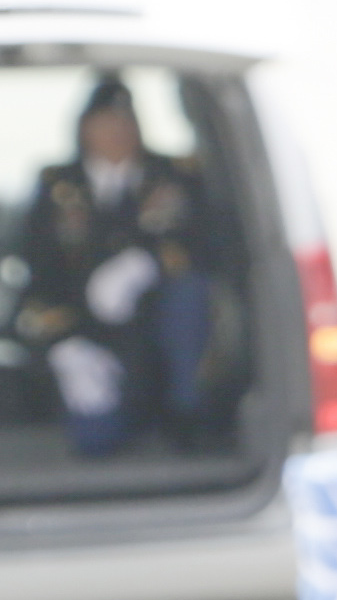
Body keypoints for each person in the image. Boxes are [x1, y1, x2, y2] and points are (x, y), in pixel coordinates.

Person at [21, 74, 221, 457]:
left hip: (157, 334)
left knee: (189, 295)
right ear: (84, 128)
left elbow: (212, 246)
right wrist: (65, 345)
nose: (116, 132)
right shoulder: (56, 185)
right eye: (104, 123)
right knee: (95, 439)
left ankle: (185, 413)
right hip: (88, 337)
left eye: (125, 121)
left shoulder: (175, 176)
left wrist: (147, 261)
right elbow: (39, 275)